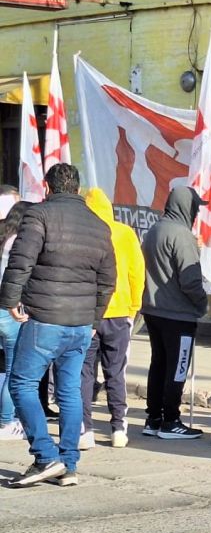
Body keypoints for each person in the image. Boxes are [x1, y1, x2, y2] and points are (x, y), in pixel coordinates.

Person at [0, 163, 115, 487]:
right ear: (77, 189)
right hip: (80, 324)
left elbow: (20, 262)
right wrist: (95, 318)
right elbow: (108, 280)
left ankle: (46, 457)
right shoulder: (99, 225)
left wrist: (8, 302)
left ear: (48, 189)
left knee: (21, 385)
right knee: (69, 393)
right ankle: (69, 465)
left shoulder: (39, 215)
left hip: (45, 318)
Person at [140, 186, 209, 439]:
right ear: (186, 207)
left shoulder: (155, 230)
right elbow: (190, 280)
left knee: (158, 364)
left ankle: (153, 418)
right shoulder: (182, 235)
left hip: (154, 310)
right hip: (178, 314)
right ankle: (171, 421)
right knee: (177, 368)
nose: (196, 213)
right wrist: (202, 303)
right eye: (195, 207)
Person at [79, 188, 145, 450]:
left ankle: (85, 429)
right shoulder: (124, 232)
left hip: (87, 312)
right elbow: (136, 273)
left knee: (83, 372)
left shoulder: (82, 231)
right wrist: (134, 307)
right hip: (119, 314)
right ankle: (118, 426)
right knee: (116, 371)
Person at [0, 200, 31, 441]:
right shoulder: (20, 241)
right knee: (13, 369)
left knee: (2, 368)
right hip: (10, 310)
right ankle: (7, 423)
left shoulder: (2, 235)